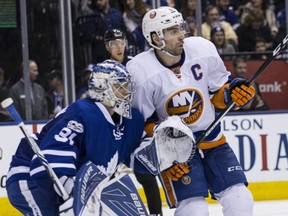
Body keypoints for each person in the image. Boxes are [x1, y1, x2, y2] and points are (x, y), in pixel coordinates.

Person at [127, 6, 255, 216]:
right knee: (194, 209)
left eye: (181, 28)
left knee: (241, 198)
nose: (182, 35)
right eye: (173, 31)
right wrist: (163, 159)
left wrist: (232, 93)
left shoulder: (202, 49)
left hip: (214, 139)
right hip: (176, 151)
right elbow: (142, 124)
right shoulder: (141, 72)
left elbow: (218, 92)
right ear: (155, 38)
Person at [6, 60, 145, 215]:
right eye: (119, 86)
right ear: (102, 87)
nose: (126, 92)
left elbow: (135, 158)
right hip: (30, 178)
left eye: (126, 86)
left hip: (62, 181)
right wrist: (73, 192)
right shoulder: (83, 113)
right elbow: (43, 165)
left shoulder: (128, 120)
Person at [104, 28, 163, 215]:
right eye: (113, 44)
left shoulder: (136, 66)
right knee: (108, 174)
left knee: (145, 171)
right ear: (108, 47)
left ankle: (156, 213)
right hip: (113, 129)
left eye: (121, 43)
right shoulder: (103, 70)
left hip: (136, 127)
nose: (118, 47)